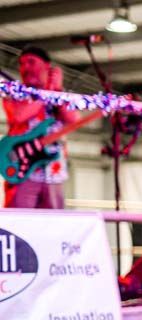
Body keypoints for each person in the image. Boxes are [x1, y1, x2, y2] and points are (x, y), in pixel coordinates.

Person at [2, 46, 79, 209]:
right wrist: (47, 93)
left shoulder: (58, 94)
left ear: (47, 66)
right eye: (22, 64)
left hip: (54, 170)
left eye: (31, 62)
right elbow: (18, 116)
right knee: (21, 224)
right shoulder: (15, 92)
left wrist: (57, 91)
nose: (25, 68)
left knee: (53, 226)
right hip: (22, 169)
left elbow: (72, 119)